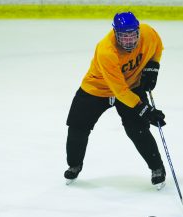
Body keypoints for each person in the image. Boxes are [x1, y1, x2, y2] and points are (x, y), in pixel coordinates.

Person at [64, 12, 167, 188]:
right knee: (77, 126)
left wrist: (153, 67)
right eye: (123, 36)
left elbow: (157, 48)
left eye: (132, 35)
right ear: (115, 34)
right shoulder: (106, 50)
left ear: (138, 31)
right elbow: (119, 91)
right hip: (97, 89)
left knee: (137, 129)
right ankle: (74, 165)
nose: (128, 40)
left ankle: (157, 168)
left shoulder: (149, 33)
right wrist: (145, 110)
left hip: (131, 86)